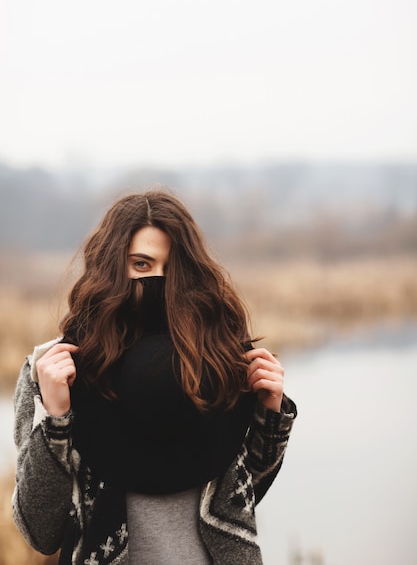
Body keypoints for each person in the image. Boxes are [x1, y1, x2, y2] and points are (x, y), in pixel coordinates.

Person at [13, 190, 297, 565]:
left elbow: (240, 498)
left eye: (172, 268)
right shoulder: (53, 370)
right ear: (111, 268)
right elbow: (39, 531)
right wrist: (55, 418)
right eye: (142, 265)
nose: (159, 283)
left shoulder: (218, 359)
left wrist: (269, 416)